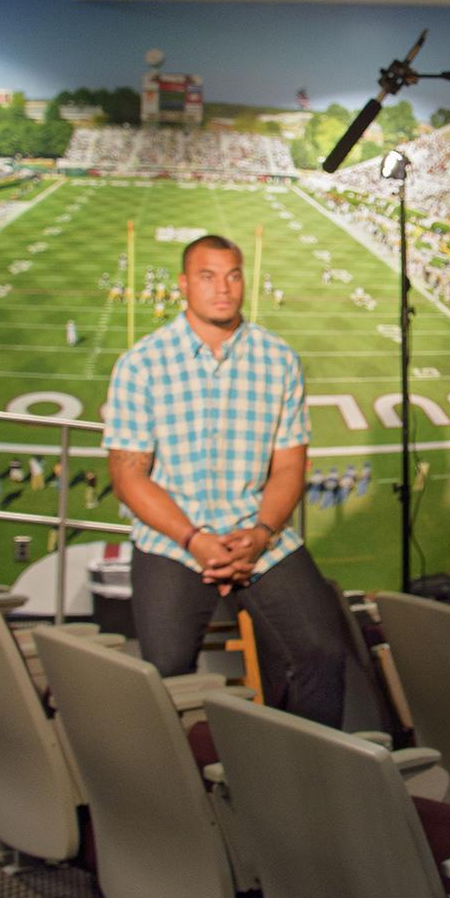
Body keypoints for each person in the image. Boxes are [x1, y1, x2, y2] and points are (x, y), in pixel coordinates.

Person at [104, 233, 348, 726]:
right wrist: (194, 540)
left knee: (323, 651)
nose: (223, 288)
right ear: (183, 285)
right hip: (174, 539)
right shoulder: (141, 364)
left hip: (257, 533)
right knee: (166, 673)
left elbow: (288, 466)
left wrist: (260, 533)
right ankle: (181, 790)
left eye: (233, 275)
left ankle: (306, 778)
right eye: (208, 276)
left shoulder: (279, 361)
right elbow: (130, 476)